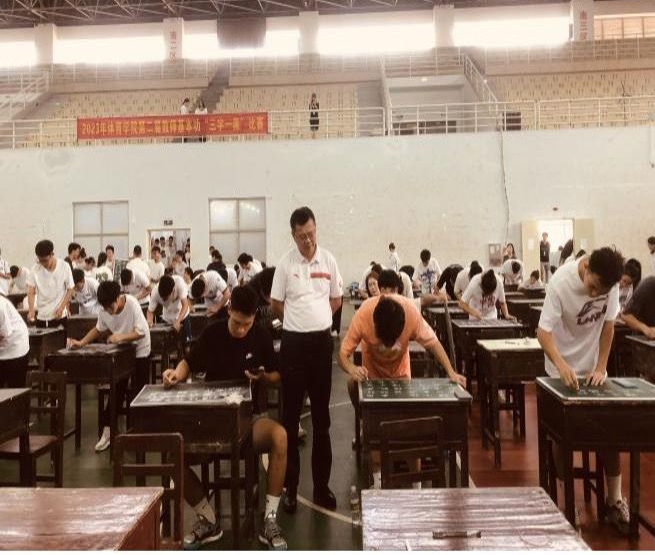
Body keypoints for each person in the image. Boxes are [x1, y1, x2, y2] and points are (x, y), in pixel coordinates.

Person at [162, 286, 288, 550]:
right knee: (174, 452)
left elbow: (278, 377)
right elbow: (188, 363)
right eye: (237, 323)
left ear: (254, 317)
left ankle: (270, 519)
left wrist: (263, 377)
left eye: (247, 324)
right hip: (212, 422)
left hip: (249, 421)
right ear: (229, 310)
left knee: (280, 437)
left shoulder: (261, 336)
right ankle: (208, 519)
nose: (241, 329)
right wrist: (175, 374)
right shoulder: (213, 334)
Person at [536, 247, 629, 533]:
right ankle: (568, 502)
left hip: (592, 372)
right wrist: (561, 365)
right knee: (561, 436)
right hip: (560, 369)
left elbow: (608, 327)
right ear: (585, 267)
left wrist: (601, 367)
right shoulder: (560, 283)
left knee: (610, 432)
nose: (594, 294)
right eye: (592, 287)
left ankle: (614, 500)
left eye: (600, 291)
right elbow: (543, 332)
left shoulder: (610, 284)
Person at [338, 289, 465, 488]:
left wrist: (451, 372)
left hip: (401, 376)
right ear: (375, 325)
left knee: (410, 430)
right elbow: (342, 355)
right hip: (373, 378)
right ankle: (377, 480)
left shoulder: (410, 312)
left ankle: (416, 485)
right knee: (376, 427)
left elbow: (433, 343)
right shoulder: (363, 315)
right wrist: (352, 369)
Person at [270, 206, 342, 513]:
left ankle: (321, 487)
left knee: (322, 420)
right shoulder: (285, 264)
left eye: (311, 234)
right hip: (293, 347)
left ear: (316, 229)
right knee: (289, 420)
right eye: (302, 236)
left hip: (320, 345)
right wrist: (297, 320)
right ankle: (290, 487)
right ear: (293, 236)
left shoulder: (329, 260)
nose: (308, 240)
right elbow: (276, 302)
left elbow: (336, 299)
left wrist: (318, 318)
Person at [68, 281, 151, 452]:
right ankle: (108, 432)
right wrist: (81, 342)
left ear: (118, 298)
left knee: (139, 391)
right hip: (123, 352)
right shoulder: (105, 310)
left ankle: (140, 432)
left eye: (110, 306)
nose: (108, 310)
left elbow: (141, 332)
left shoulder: (132, 304)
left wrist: (120, 337)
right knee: (117, 389)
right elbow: (98, 329)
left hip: (141, 349)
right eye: (105, 307)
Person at [27, 240, 75, 329]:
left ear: (52, 254)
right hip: (41, 316)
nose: (43, 264)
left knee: (61, 338)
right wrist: (31, 310)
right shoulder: (34, 269)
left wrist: (62, 308)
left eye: (45, 261)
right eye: (40, 261)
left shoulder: (64, 266)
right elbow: (31, 292)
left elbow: (70, 289)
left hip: (59, 316)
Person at [147, 275, 192, 346]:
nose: (164, 299)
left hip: (182, 316)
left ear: (173, 290)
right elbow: (150, 311)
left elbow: (185, 305)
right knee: (169, 346)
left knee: (187, 345)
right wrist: (149, 321)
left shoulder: (179, 283)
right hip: (167, 318)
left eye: (166, 297)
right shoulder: (155, 292)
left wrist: (178, 321)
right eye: (162, 298)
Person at [0, 293, 29, 388]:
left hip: (16, 345)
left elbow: (4, 334)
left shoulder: (0, 305)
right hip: (3, 346)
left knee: (16, 389)